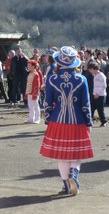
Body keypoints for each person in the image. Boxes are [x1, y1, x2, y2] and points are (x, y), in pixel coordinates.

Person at [40, 46, 93, 196]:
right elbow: (85, 103)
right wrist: (88, 122)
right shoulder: (81, 79)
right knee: (77, 153)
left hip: (58, 120)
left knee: (62, 156)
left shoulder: (51, 79)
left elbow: (47, 103)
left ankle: (66, 186)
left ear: (59, 61)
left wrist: (48, 119)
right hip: (78, 120)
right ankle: (74, 174)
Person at [24, 60, 43, 124]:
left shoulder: (36, 74)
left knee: (35, 105)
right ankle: (31, 118)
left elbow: (37, 85)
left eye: (29, 66)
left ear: (33, 66)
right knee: (30, 106)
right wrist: (27, 93)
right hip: (29, 92)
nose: (28, 67)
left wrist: (35, 94)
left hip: (34, 93)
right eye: (28, 65)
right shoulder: (30, 73)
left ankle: (37, 119)